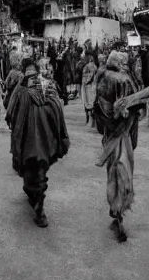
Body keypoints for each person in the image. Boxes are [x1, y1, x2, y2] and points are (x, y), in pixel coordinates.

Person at [6, 58, 69, 227]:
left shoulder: (20, 88)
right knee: (41, 168)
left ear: (25, 69)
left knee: (30, 166)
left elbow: (10, 111)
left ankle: (38, 206)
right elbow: (58, 110)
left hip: (26, 139)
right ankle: (38, 204)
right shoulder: (48, 84)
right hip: (47, 139)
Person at [94, 51, 142, 242]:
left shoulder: (101, 76)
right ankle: (118, 216)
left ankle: (116, 213)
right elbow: (133, 107)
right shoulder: (122, 80)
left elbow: (96, 107)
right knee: (122, 174)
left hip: (109, 134)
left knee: (113, 172)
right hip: (121, 134)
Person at [81, 53, 98, 126]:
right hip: (91, 85)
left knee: (88, 102)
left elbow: (90, 76)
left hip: (88, 86)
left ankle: (90, 120)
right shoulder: (93, 65)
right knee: (90, 102)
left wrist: (86, 82)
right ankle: (90, 120)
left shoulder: (89, 66)